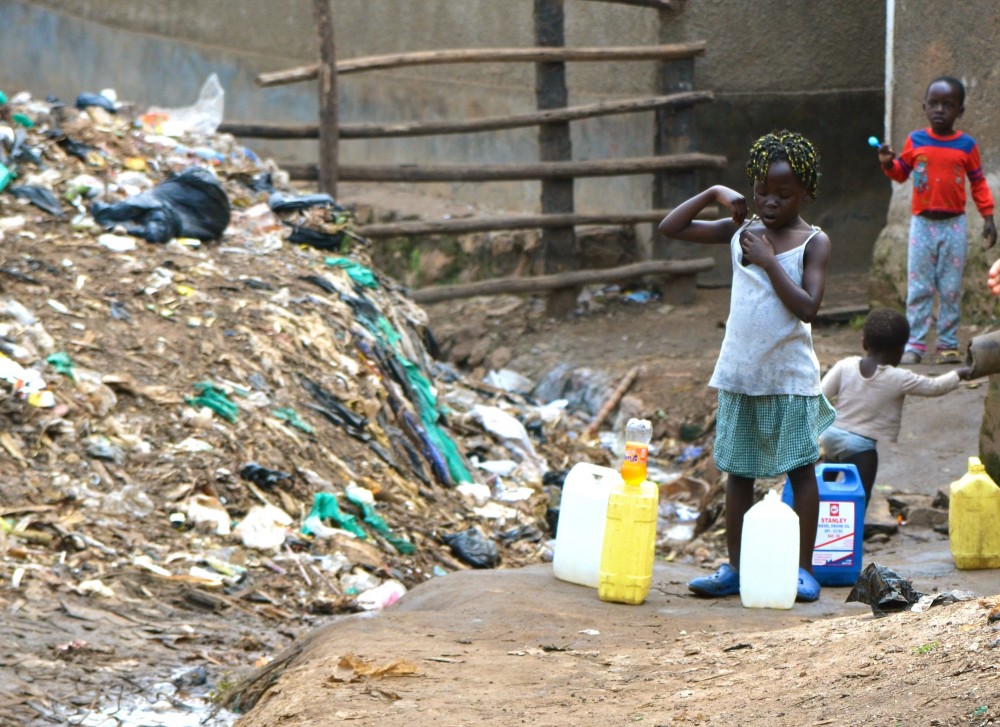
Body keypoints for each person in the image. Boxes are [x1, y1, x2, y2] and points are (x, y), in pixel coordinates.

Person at [659, 130, 833, 602]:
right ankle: (735, 567)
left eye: (783, 193)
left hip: (791, 378)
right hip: (740, 374)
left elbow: (808, 308)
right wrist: (715, 192)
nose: (769, 201)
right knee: (739, 472)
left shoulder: (813, 242)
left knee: (801, 471)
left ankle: (803, 570)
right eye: (760, 190)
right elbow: (669, 228)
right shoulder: (741, 232)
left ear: (806, 193)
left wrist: (771, 262)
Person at [878, 75, 996, 366]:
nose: (940, 110)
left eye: (948, 104)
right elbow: (901, 172)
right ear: (924, 107)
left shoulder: (967, 146)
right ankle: (915, 344)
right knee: (919, 287)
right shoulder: (915, 141)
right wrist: (887, 162)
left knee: (951, 287)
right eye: (934, 104)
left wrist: (988, 217)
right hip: (922, 225)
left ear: (960, 111)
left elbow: (979, 183)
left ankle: (947, 345)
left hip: (954, 226)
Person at [820, 308, 972, 510]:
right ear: (900, 351)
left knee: (822, 490)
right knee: (858, 500)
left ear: (863, 342)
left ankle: (816, 527)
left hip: (831, 436)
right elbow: (935, 387)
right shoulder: (900, 378)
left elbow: (819, 396)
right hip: (859, 448)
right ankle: (853, 535)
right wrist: (960, 373)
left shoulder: (845, 365)